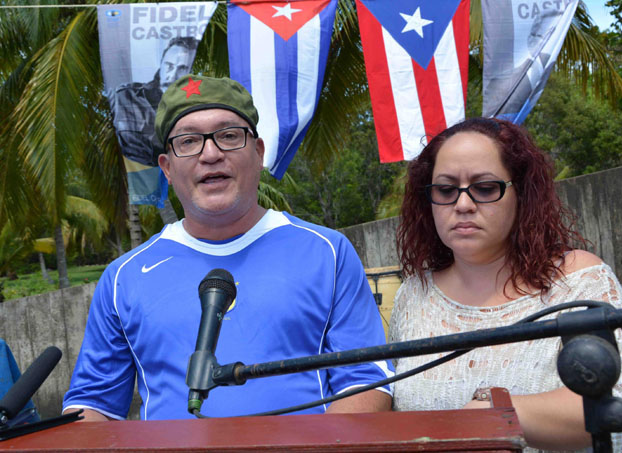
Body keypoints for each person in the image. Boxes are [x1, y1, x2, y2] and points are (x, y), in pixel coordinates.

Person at [63, 74, 393, 421]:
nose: (210, 153)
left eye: (229, 136)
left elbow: (367, 383)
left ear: (258, 152)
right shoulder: (123, 278)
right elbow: (95, 404)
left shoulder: (328, 252)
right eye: (188, 141)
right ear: (167, 168)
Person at [389, 117, 622, 452]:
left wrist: (491, 411)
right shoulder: (413, 294)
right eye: (446, 190)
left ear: (521, 192)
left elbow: (614, 407)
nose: (463, 204)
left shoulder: (579, 280)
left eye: (485, 188)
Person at [108, 36, 199, 167]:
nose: (172, 75)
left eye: (182, 69)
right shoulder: (125, 96)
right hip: (134, 177)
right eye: (169, 65)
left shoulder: (196, 110)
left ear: (189, 72)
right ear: (161, 64)